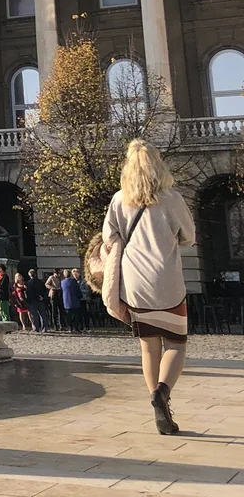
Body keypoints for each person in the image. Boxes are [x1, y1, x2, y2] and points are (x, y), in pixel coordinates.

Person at [103, 139, 195, 435]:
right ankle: (163, 392)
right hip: (167, 280)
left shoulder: (120, 200)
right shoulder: (172, 198)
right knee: (176, 345)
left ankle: (157, 406)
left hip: (136, 282)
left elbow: (109, 236)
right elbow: (189, 236)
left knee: (148, 346)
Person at [26, 269, 48, 333]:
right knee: (43, 314)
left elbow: (30, 293)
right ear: (35, 274)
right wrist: (42, 297)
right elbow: (44, 290)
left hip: (33, 301)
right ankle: (44, 328)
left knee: (35, 315)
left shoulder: (29, 282)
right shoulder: (40, 282)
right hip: (41, 300)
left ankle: (36, 328)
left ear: (30, 275)